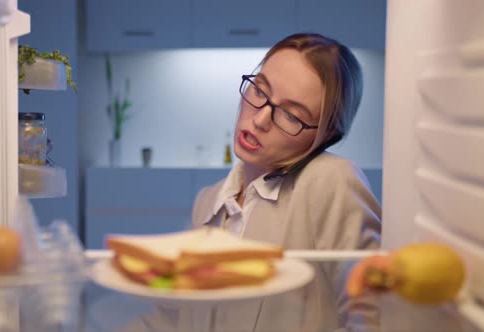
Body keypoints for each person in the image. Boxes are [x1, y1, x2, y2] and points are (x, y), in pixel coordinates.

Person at [120, 32, 382, 332]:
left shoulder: (331, 182)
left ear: (326, 136)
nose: (259, 120)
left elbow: (371, 318)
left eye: (290, 115)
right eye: (260, 90)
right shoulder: (210, 200)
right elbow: (176, 316)